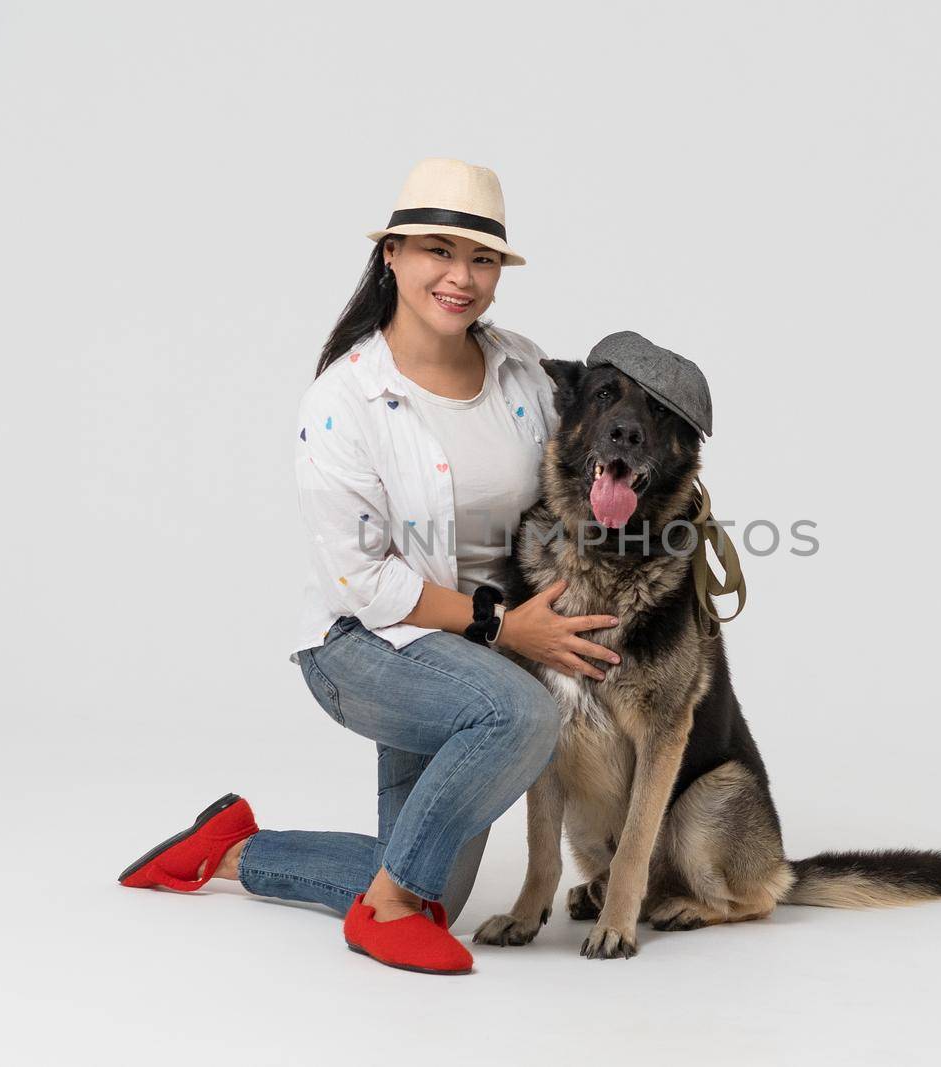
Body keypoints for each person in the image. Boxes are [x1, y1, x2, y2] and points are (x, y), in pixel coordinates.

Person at [116, 158, 621, 975]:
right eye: (437, 250)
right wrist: (506, 627)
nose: (461, 277)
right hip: (366, 646)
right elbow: (362, 581)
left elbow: (593, 451)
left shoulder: (523, 372)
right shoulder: (345, 402)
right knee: (525, 715)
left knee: (436, 888)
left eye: (482, 259)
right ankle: (383, 914)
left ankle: (236, 849)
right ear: (391, 255)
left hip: (474, 649)